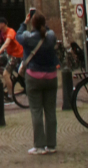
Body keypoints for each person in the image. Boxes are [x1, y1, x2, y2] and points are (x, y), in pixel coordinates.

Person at [17, 11, 59, 155]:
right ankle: (52, 145)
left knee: (36, 111)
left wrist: (25, 22)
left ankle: (40, 146)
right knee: (51, 111)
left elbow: (18, 36)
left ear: (33, 24)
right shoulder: (51, 36)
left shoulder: (29, 37)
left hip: (34, 77)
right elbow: (48, 32)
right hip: (51, 77)